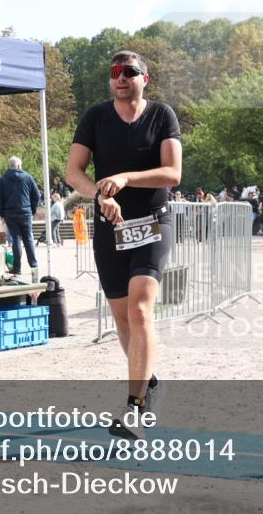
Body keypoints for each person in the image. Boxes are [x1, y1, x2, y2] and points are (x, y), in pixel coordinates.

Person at [65, 50, 182, 440]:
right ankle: (148, 381)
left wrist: (127, 178)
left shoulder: (161, 115)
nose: (120, 78)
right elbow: (73, 172)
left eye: (129, 72)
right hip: (110, 228)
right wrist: (100, 194)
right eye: (114, 72)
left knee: (140, 309)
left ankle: (134, 406)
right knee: (121, 317)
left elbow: (173, 173)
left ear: (144, 78)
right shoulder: (96, 116)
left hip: (151, 224)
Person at [0, 156, 40, 276]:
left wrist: (2, 213)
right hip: (26, 213)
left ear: (10, 166)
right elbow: (37, 195)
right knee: (28, 239)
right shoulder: (27, 177)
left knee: (16, 239)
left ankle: (17, 268)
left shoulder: (3, 179)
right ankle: (34, 266)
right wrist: (33, 210)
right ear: (19, 166)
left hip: (10, 214)